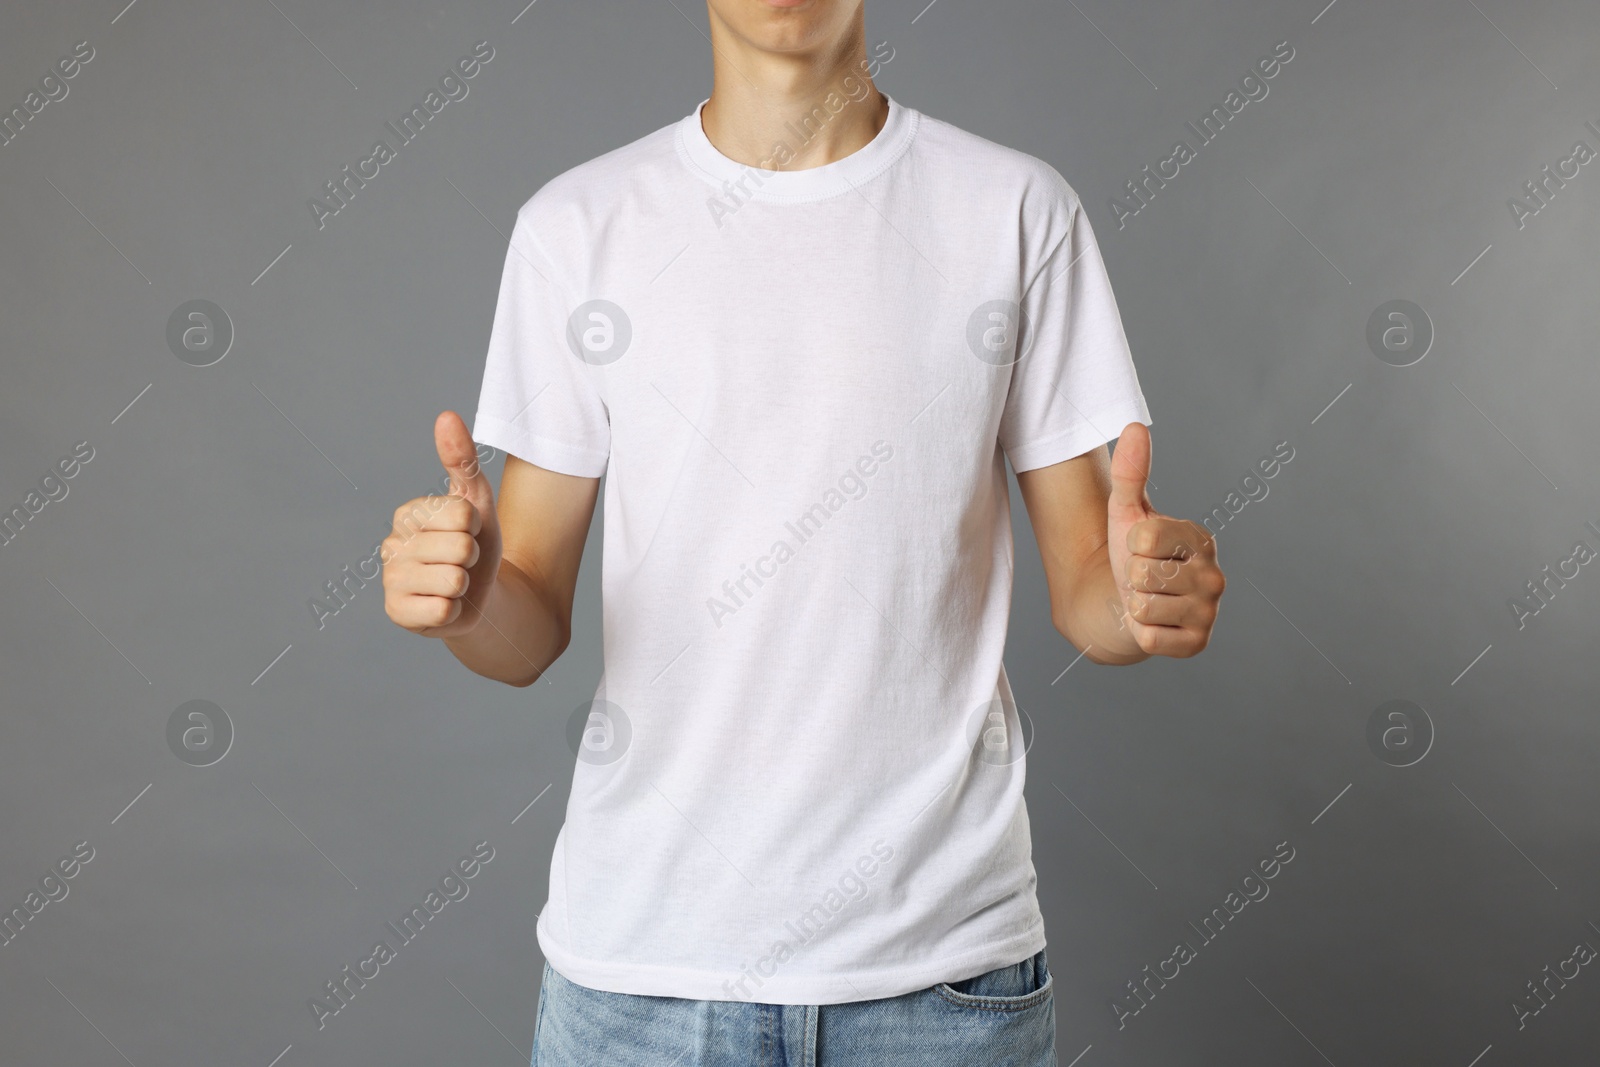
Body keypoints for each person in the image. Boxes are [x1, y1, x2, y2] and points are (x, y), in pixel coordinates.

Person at [381, 1, 1225, 1062]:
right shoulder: (579, 226)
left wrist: (1143, 596)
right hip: (644, 983)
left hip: (943, 982)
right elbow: (527, 623)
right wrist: (463, 603)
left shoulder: (1013, 210)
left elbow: (1088, 594)